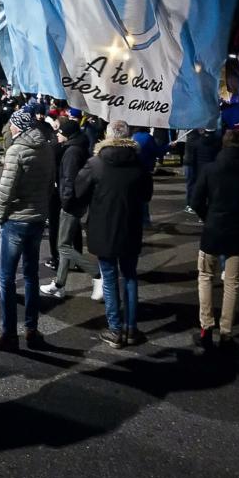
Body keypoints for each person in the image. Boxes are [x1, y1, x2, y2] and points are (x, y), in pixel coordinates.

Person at [73, 120, 153, 347]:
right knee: (130, 276)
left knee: (109, 277)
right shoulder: (139, 164)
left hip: (103, 227)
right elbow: (146, 195)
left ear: (108, 137)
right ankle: (130, 328)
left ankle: (115, 329)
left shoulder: (96, 163)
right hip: (130, 226)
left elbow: (79, 190)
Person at [0, 109, 55, 352]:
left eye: (13, 125)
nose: (10, 128)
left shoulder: (17, 150)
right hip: (37, 219)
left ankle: (9, 333)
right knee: (31, 275)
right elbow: (49, 184)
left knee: (6, 278)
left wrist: (0, 217)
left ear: (20, 126)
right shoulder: (46, 147)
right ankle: (31, 329)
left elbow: (6, 190)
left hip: (16, 219)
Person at [191, 128, 239, 351]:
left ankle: (206, 327)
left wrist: (208, 217)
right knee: (231, 284)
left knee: (205, 277)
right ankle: (226, 333)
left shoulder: (210, 169)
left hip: (213, 229)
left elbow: (195, 201)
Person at [39, 119, 102, 301]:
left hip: (70, 203)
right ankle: (59, 284)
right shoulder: (76, 147)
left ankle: (97, 274)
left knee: (63, 246)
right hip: (74, 201)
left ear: (66, 134)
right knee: (65, 243)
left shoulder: (72, 152)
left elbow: (69, 179)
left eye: (60, 132)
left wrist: (65, 202)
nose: (57, 135)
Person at [182, 127, 220, 213]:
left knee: (193, 185)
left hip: (193, 165)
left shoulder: (196, 140)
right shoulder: (216, 141)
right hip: (200, 166)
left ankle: (191, 204)